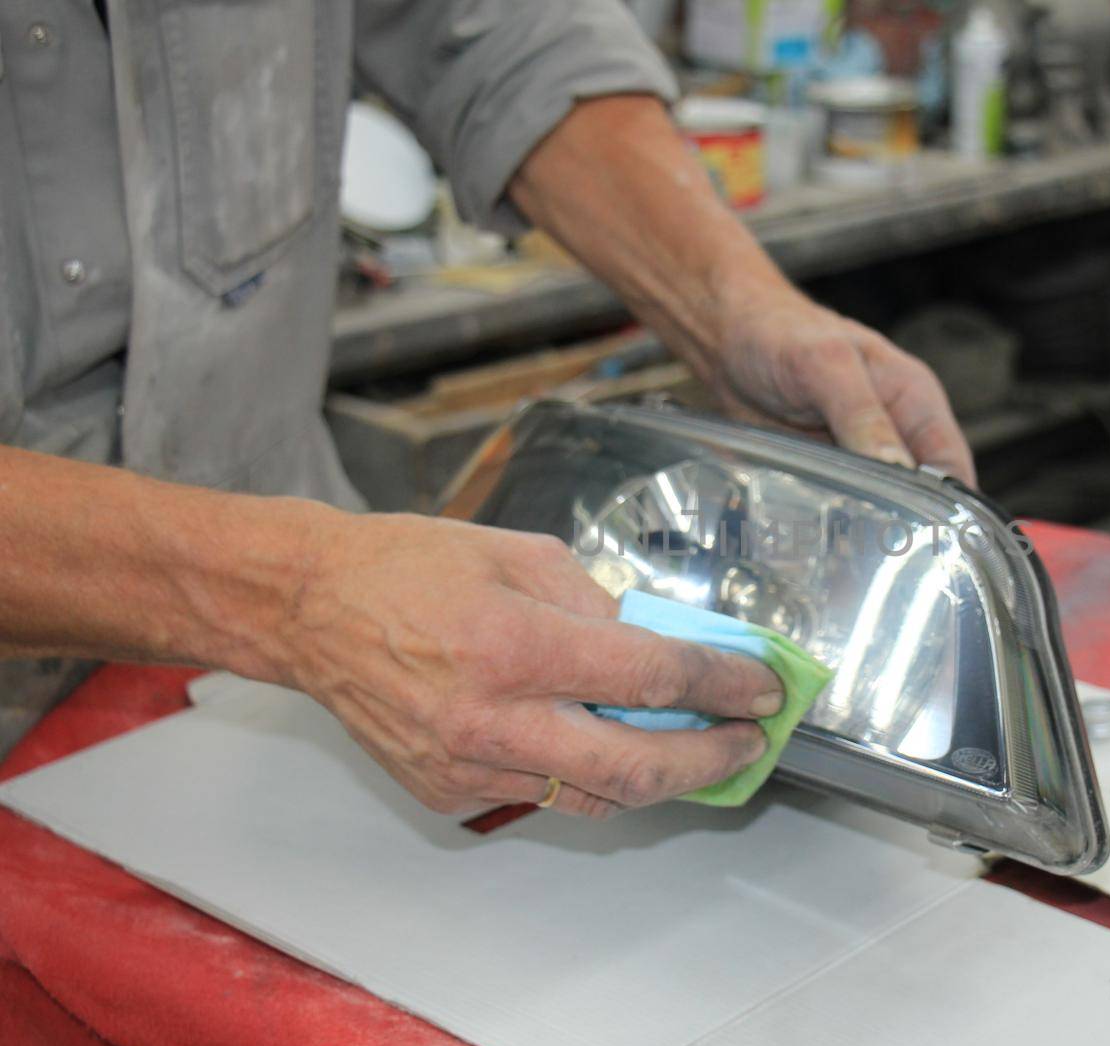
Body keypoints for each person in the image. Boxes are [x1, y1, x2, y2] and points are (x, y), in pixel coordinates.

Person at [0, 3, 972, 818]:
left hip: (285, 680)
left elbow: (490, 26)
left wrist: (731, 307)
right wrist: (293, 599)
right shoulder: (307, 605)